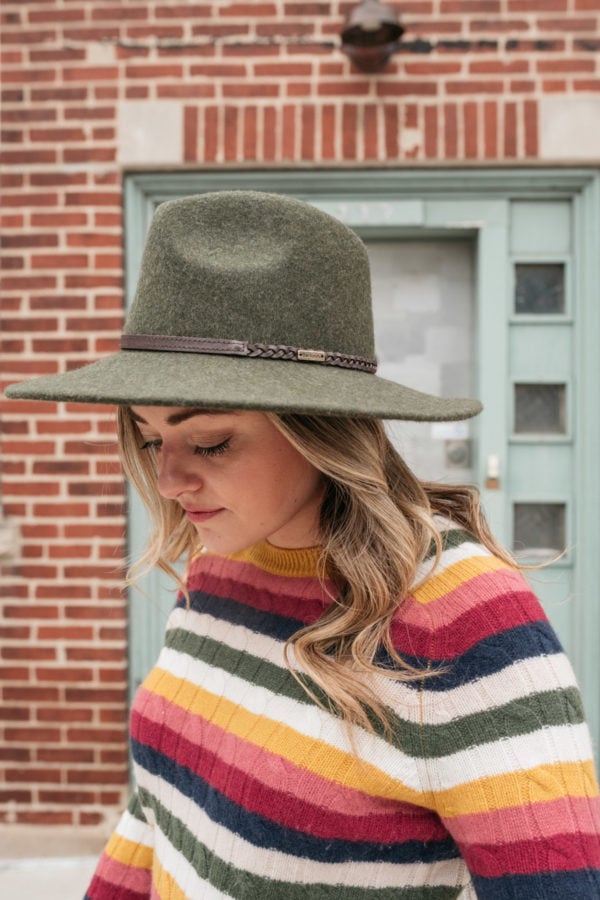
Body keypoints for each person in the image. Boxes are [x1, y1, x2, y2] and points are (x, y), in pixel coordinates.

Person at [6, 191, 600, 899]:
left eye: (210, 441)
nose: (167, 479)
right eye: (149, 436)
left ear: (326, 429)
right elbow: (161, 806)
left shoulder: (462, 619)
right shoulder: (218, 562)